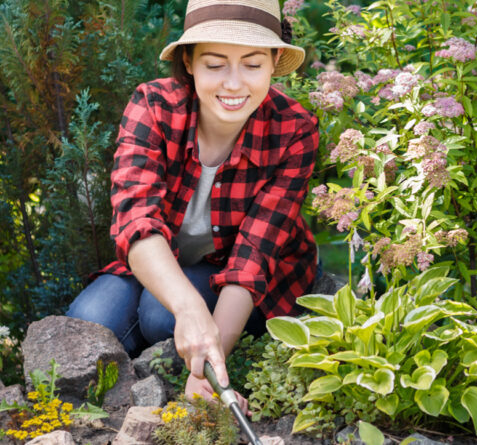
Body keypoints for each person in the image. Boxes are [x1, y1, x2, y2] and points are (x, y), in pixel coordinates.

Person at [66, 0, 319, 412]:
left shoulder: (295, 129)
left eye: (253, 65)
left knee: (160, 318)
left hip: (238, 274)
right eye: (215, 64)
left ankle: (168, 357)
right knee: (90, 320)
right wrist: (188, 306)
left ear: (275, 62)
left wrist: (210, 366)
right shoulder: (154, 105)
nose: (233, 84)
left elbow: (253, 257)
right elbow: (136, 219)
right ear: (189, 61)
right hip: (161, 255)